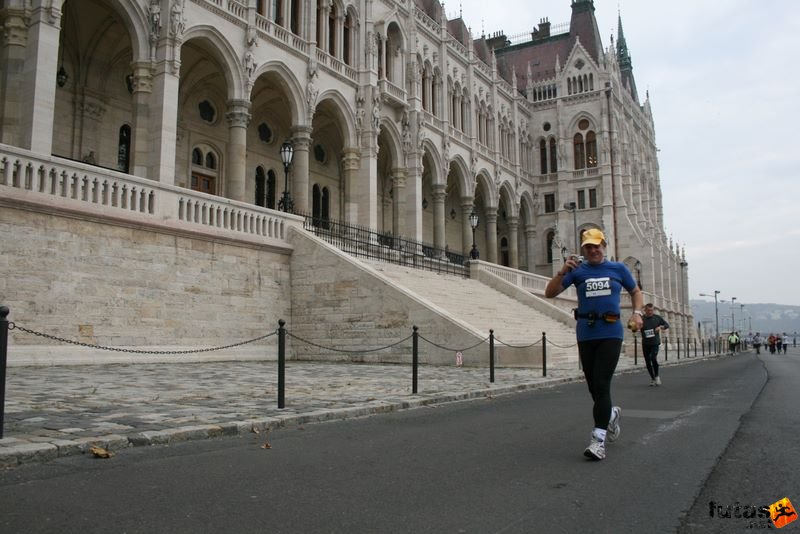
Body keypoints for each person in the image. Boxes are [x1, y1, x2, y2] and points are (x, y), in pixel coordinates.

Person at [545, 228, 643, 461]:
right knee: (593, 387)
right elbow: (550, 293)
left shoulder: (618, 269)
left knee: (602, 382)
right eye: (589, 246)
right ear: (583, 250)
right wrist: (562, 271)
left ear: (604, 246)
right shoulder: (578, 271)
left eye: (597, 245)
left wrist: (637, 313)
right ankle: (610, 414)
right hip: (586, 333)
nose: (593, 250)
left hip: (611, 332)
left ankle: (598, 440)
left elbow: (635, 291)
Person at [640, 303, 669, 386]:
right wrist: (635, 327)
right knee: (648, 362)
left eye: (651, 310)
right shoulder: (641, 319)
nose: (650, 312)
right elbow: (634, 329)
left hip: (655, 342)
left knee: (653, 357)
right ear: (645, 310)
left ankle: (657, 376)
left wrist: (660, 327)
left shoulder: (657, 318)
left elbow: (666, 325)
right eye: (648, 310)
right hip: (645, 343)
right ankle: (652, 379)